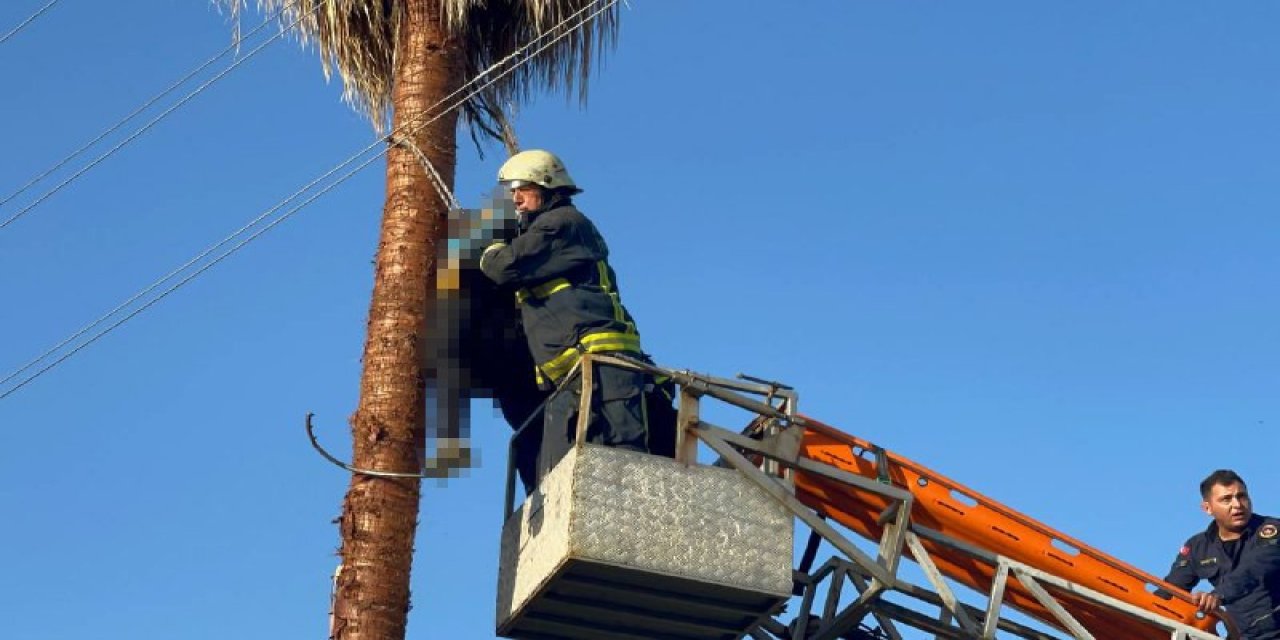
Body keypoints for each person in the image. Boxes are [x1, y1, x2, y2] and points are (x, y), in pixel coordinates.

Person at [478, 149, 675, 482]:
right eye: (512, 191)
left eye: (521, 188)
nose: (515, 198)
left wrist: (491, 252)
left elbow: (504, 267)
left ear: (546, 184)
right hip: (578, 375)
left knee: (620, 466)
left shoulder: (563, 223)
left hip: (604, 368)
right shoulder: (549, 234)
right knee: (571, 473)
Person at [1164, 469, 1280, 639]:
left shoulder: (1271, 530)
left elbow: (1254, 569)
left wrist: (1217, 596)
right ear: (1207, 508)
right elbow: (1170, 590)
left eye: (1242, 496)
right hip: (1244, 635)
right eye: (1226, 499)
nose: (1237, 505)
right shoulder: (1198, 547)